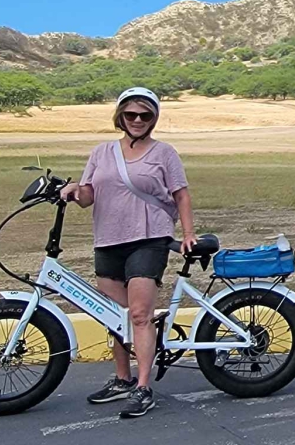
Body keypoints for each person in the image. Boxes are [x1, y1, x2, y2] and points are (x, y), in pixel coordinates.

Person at [60, 88, 195, 419]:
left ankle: (144, 387)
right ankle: (122, 378)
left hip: (149, 238)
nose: (137, 120)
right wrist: (73, 191)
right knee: (114, 316)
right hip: (108, 239)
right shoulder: (102, 152)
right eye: (131, 114)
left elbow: (181, 195)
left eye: (145, 115)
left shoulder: (164, 153)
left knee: (138, 315)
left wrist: (189, 233)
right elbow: (89, 195)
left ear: (154, 119)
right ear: (120, 116)